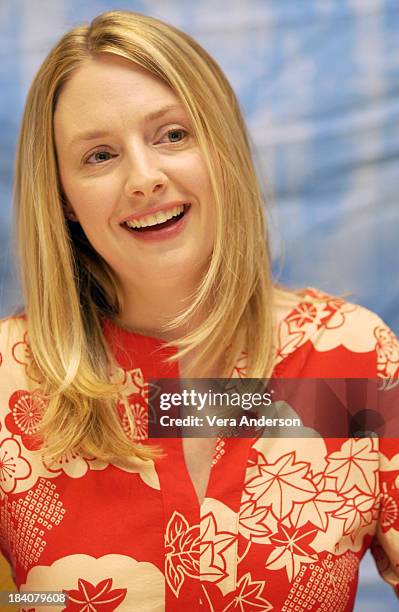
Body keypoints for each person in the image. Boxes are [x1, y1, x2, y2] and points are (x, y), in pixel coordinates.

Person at [0, 9, 398, 610]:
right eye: (100, 155)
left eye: (173, 135)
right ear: (64, 200)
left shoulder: (352, 358)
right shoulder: (9, 375)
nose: (143, 178)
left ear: (223, 150)